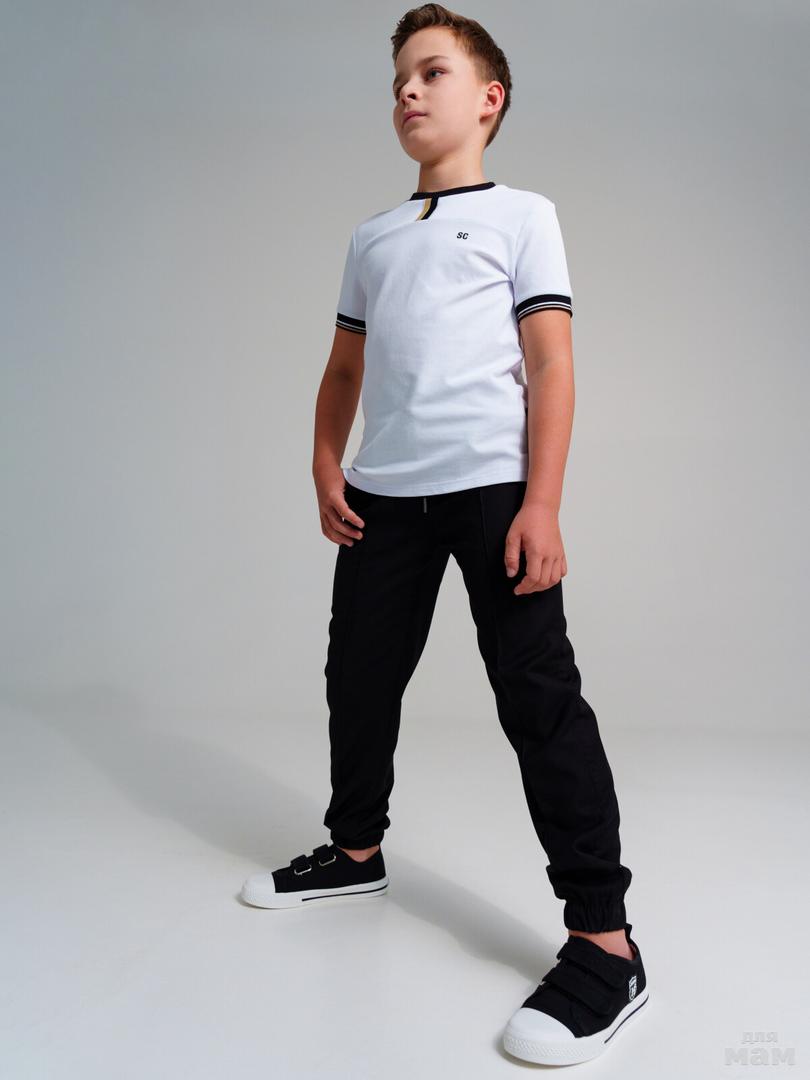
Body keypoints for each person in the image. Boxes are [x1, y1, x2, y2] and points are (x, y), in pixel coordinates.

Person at [241, 3, 649, 1065]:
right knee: (358, 676)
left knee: (537, 698)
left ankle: (605, 942)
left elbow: (551, 363)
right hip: (384, 497)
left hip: (491, 490)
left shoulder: (523, 216)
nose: (408, 94)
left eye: (430, 73)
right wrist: (326, 463)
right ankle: (355, 850)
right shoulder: (372, 237)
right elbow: (344, 367)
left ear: (489, 97)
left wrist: (542, 503)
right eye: (398, 83)